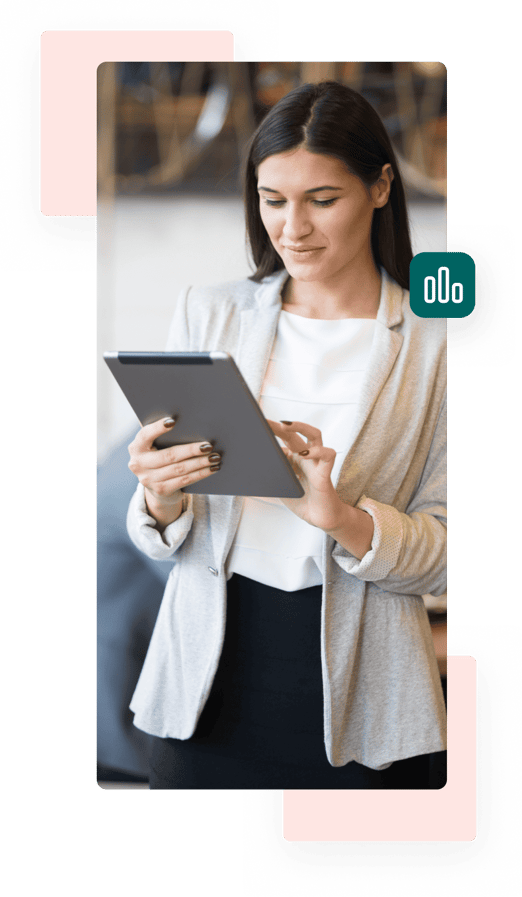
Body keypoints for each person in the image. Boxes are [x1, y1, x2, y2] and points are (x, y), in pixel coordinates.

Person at [125, 81, 447, 790]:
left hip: (366, 697)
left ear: (381, 187)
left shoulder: (438, 343)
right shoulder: (209, 313)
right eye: (273, 199)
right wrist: (159, 495)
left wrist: (344, 519)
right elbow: (159, 531)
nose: (292, 227)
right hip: (203, 677)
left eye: (322, 200)